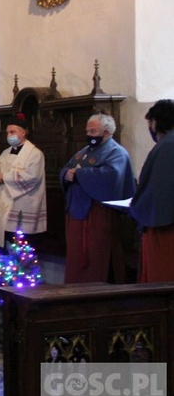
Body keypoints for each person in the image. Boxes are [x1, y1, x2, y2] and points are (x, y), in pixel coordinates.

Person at [60, 113, 135, 283]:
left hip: (98, 214)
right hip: (77, 212)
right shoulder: (84, 152)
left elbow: (111, 176)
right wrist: (66, 174)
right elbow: (66, 168)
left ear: (107, 133)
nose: (89, 135)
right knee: (75, 256)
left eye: (93, 131)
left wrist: (79, 174)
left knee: (96, 258)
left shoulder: (116, 153)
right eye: (88, 131)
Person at [0, 113, 47, 248]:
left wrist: (5, 178)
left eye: (12, 132)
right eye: (7, 132)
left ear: (23, 132)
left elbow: (33, 177)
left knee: (19, 245)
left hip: (22, 203)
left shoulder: (35, 154)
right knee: (3, 243)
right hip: (3, 202)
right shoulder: (5, 152)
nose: (8, 135)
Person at [129, 99, 174, 282]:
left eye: (150, 123)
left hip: (165, 229)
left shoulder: (167, 147)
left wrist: (137, 206)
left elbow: (158, 191)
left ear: (157, 121)